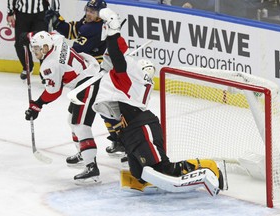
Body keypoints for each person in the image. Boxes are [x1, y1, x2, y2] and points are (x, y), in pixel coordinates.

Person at [89, 8, 224, 194]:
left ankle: (208, 166)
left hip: (142, 126)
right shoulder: (127, 81)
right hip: (131, 129)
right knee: (139, 173)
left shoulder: (130, 77)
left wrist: (113, 30)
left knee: (163, 169)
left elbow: (118, 56)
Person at [44, 0, 125, 163]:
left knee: (97, 112)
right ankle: (118, 142)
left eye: (92, 12)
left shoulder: (94, 29)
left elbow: (76, 51)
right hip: (90, 75)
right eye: (88, 10)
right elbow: (73, 30)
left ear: (100, 15)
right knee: (101, 111)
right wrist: (58, 21)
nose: (88, 13)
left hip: (97, 75)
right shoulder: (90, 23)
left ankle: (125, 143)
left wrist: (54, 47)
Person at [23, 31, 101, 184]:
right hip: (87, 77)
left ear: (46, 47)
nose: (35, 52)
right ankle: (83, 153)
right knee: (72, 120)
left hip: (88, 83)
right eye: (34, 48)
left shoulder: (49, 65)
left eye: (37, 49)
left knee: (80, 125)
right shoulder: (56, 39)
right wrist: (30, 36)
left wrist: (37, 105)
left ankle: (92, 169)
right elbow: (50, 33)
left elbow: (54, 92)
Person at [7, 0, 60, 81]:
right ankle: (27, 67)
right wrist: (10, 12)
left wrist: (55, 12)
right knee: (19, 44)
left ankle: (45, 72)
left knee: (43, 44)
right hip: (22, 13)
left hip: (41, 14)